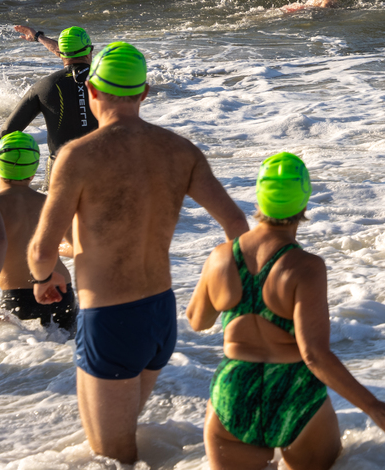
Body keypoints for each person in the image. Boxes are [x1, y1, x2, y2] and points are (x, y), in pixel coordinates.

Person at [28, 41, 249, 465]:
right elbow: (238, 228)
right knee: (120, 442)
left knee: (112, 456)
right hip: (161, 315)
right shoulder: (180, 150)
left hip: (110, 320)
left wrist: (44, 276)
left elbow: (40, 250)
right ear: (144, 93)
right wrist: (222, 294)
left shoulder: (78, 155)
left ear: (92, 91)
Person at [188, 153, 385, 469]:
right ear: (304, 205)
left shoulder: (220, 257)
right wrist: (373, 407)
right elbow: (314, 355)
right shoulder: (305, 268)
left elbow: (197, 320)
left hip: (234, 393)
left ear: (260, 199)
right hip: (294, 393)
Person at [0, 132, 77, 332]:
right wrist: (52, 248)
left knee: (23, 358)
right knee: (64, 356)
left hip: (20, 296)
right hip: (62, 291)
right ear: (34, 171)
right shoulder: (50, 202)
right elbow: (81, 246)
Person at [4, 25, 98, 163]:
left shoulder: (44, 86)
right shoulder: (108, 81)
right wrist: (38, 37)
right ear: (89, 52)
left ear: (61, 54)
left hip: (61, 169)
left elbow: (7, 131)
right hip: (103, 167)